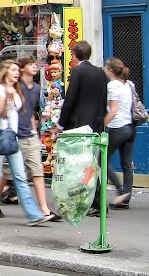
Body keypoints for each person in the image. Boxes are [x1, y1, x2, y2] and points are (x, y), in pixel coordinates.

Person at [0, 60, 53, 226]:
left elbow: (22, 112)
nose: (17, 73)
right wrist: (9, 92)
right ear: (6, 72)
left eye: (18, 70)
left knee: (20, 177)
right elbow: (3, 111)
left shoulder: (16, 89)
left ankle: (33, 214)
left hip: (12, 137)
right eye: (13, 70)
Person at [58, 41, 108, 217]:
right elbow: (103, 101)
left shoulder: (78, 71)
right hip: (95, 123)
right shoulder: (100, 73)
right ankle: (95, 201)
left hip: (79, 124)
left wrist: (61, 123)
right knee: (91, 163)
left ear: (74, 55)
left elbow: (70, 99)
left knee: (79, 164)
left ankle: (91, 201)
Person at [103, 58, 136, 210]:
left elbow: (114, 110)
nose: (104, 69)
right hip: (130, 127)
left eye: (106, 67)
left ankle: (121, 191)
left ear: (110, 70)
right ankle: (126, 198)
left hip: (117, 128)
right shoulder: (129, 84)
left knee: (101, 159)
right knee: (126, 164)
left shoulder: (113, 85)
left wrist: (102, 124)